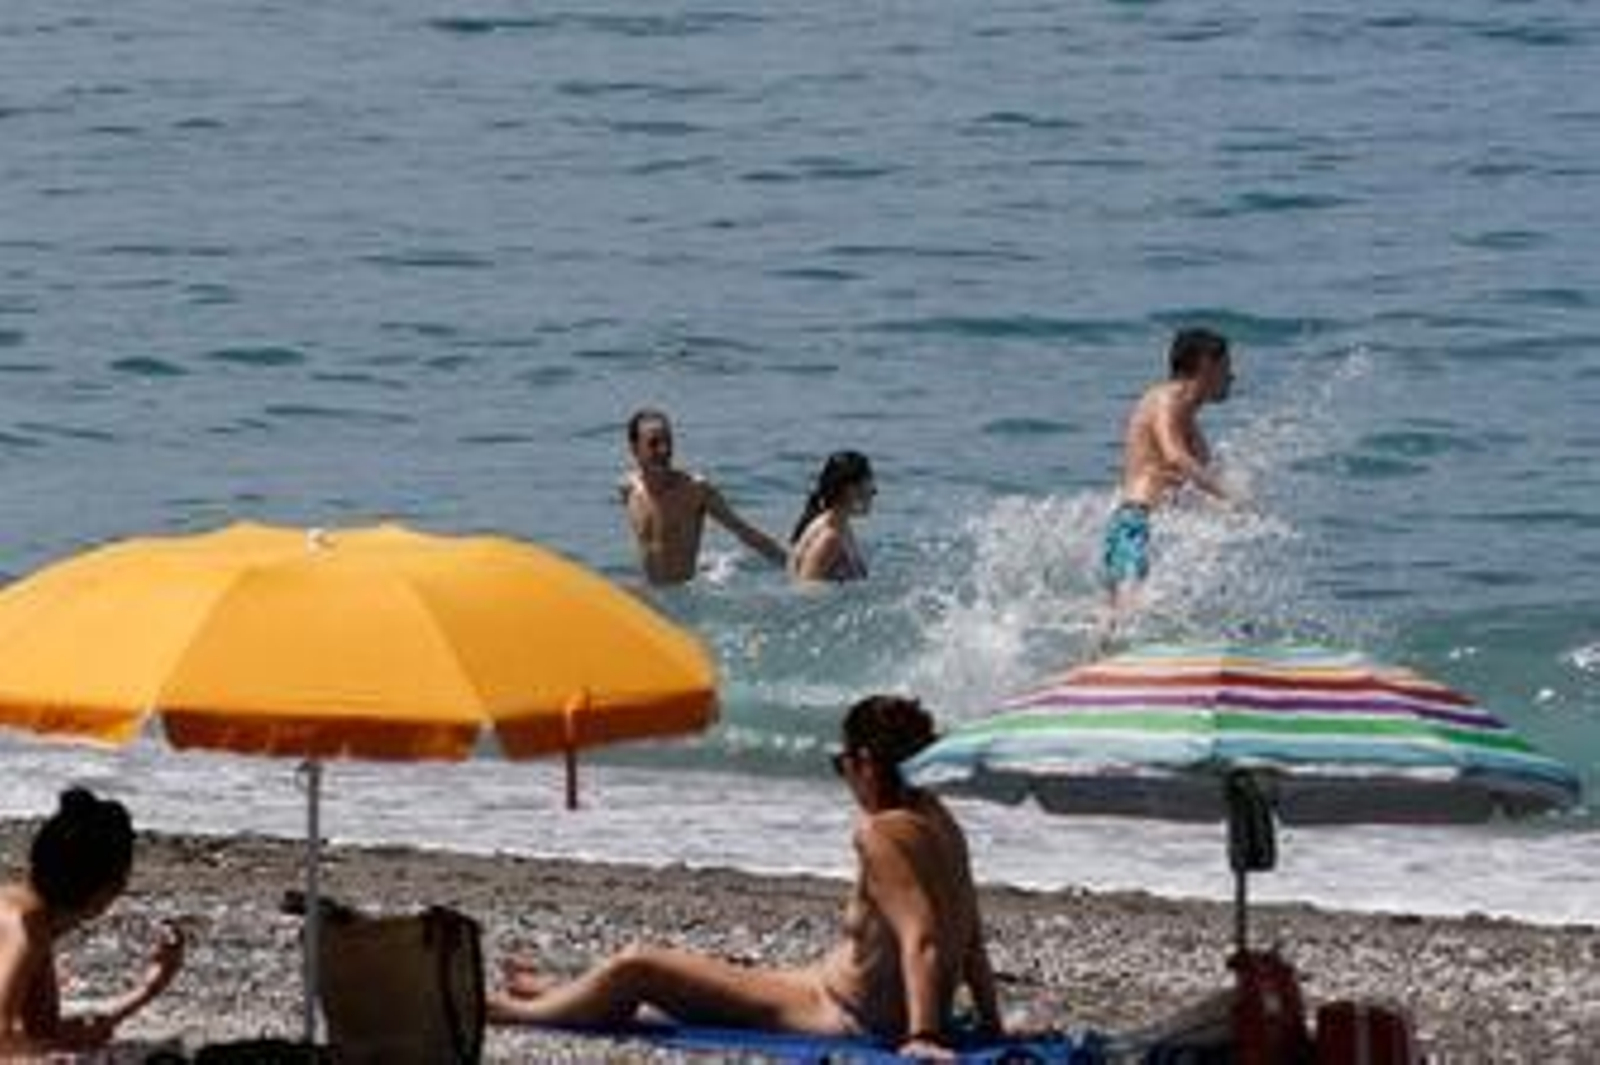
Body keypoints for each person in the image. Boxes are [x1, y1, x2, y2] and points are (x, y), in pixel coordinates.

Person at [488, 694, 1002, 1060]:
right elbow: (970, 937)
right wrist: (990, 1023)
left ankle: (518, 1013)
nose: (845, 777)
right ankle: (565, 991)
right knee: (711, 977)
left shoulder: (882, 833)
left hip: (841, 1013)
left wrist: (924, 1037)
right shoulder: (940, 820)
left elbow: (923, 937)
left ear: (865, 762)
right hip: (829, 987)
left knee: (638, 964)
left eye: (841, 764)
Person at [0, 787, 185, 1056]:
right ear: (109, 890)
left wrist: (150, 987)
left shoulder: (28, 917)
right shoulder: (24, 930)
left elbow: (41, 1030)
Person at [1104, 327, 1238, 613]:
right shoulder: (1167, 398)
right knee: (1124, 614)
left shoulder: (1188, 418)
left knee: (1138, 612)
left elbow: (1189, 474)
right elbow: (1174, 455)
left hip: (1159, 526)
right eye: (1226, 367)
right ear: (1206, 366)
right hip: (1137, 524)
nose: (1232, 377)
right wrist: (1229, 496)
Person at [620, 408, 788, 586]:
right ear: (634, 449)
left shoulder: (694, 489)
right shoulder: (628, 488)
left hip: (683, 593)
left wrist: (791, 564)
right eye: (654, 443)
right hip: (650, 591)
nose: (664, 449)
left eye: (668, 441)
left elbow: (743, 531)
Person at [789, 451, 875, 583]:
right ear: (850, 489)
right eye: (869, 486)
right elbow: (805, 590)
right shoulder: (830, 539)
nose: (874, 492)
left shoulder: (840, 525)